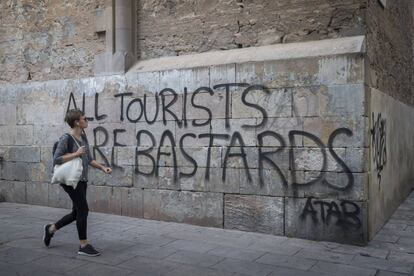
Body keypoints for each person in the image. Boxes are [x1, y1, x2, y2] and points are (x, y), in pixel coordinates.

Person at [43, 109, 112, 256]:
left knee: (76, 212)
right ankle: (83, 245)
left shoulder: (83, 137)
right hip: (70, 181)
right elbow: (56, 159)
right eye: (84, 118)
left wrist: (102, 167)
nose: (86, 121)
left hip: (82, 179)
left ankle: (51, 229)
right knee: (83, 210)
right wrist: (76, 153)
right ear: (76, 122)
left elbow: (88, 159)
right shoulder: (66, 138)